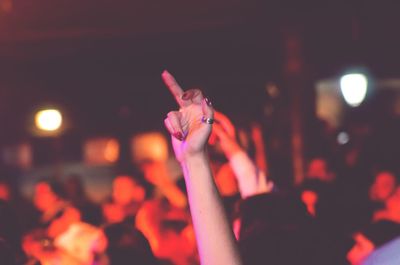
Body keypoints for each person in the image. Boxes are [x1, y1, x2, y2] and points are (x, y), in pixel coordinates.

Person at [162, 70, 242, 265]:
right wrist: (193, 159)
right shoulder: (185, 181)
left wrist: (195, 159)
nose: (214, 138)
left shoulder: (234, 187)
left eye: (219, 135)